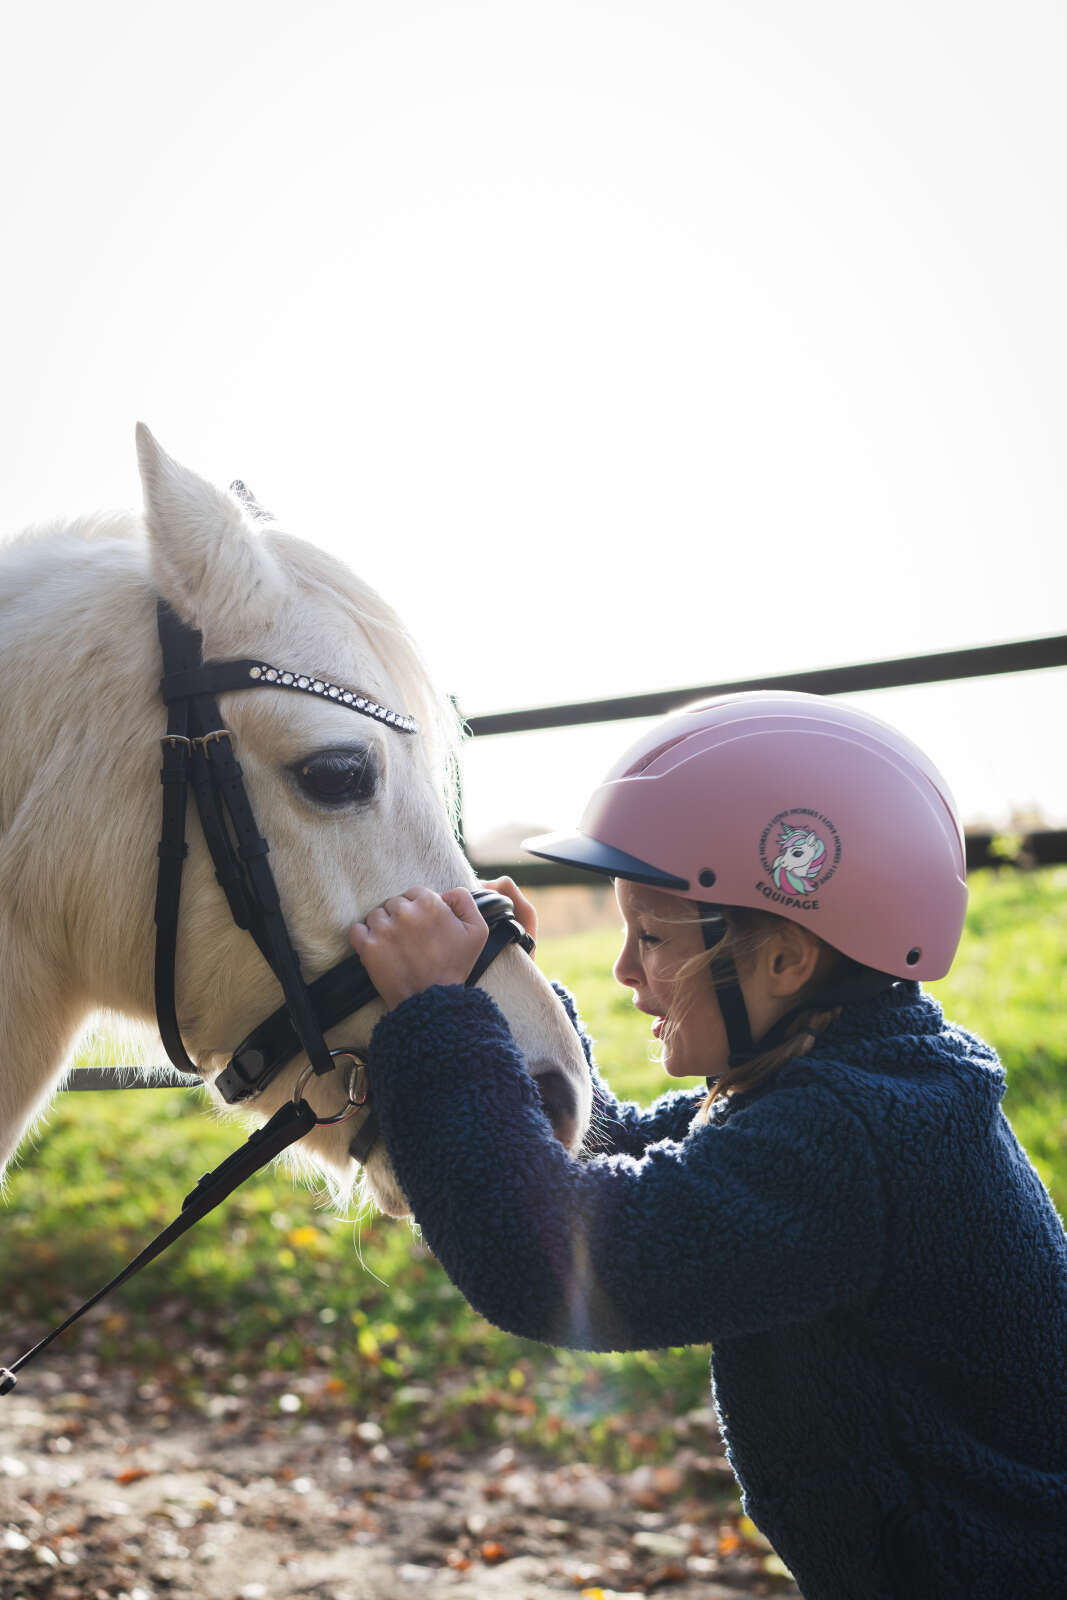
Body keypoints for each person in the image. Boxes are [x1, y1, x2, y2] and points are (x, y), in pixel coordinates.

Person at [349, 690, 1067, 1600]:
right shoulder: (860, 1081)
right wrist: (499, 999)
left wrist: (440, 1021)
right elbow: (609, 1158)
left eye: (650, 935)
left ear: (785, 961)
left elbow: (557, 1263)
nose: (622, 971)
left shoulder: (848, 1139)